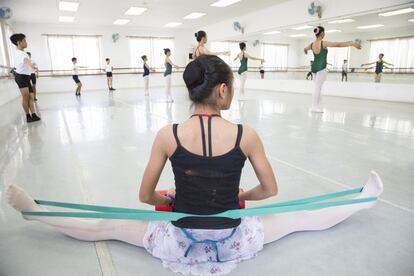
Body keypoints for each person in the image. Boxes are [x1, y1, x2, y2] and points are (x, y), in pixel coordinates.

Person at [6, 55, 383, 276]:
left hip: (179, 238)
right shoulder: (245, 135)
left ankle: (34, 211)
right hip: (232, 238)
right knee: (301, 220)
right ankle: (364, 198)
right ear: (222, 90)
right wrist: (242, 194)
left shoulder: (167, 134)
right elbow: (271, 191)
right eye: (231, 88)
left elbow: (143, 195)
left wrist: (168, 197)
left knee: (105, 227)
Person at [304, 26, 361, 113]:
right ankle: (314, 107)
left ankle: (316, 106)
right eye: (324, 33)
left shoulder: (312, 44)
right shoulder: (323, 43)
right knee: (317, 88)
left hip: (314, 68)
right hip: (321, 68)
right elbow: (338, 44)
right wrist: (352, 43)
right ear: (322, 33)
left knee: (317, 88)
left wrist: (306, 51)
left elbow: (305, 49)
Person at [9, 33, 41, 123]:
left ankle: (33, 114)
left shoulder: (23, 52)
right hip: (20, 76)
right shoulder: (18, 53)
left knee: (31, 96)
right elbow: (26, 61)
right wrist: (32, 65)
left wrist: (32, 64)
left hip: (26, 76)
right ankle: (28, 116)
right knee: (26, 97)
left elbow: (27, 61)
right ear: (19, 42)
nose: (26, 42)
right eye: (24, 40)